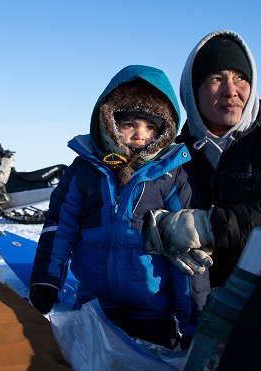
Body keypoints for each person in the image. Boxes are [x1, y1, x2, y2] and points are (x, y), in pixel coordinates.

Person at [144, 30, 261, 295]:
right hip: (202, 304)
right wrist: (162, 233)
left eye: (241, 78)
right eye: (215, 79)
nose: (231, 91)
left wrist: (209, 226)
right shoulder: (175, 153)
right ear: (192, 90)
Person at [28, 65, 205, 349]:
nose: (140, 135)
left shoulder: (171, 176)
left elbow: (187, 251)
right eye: (130, 124)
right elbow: (60, 226)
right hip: (96, 306)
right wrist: (47, 280)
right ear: (109, 123)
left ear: (164, 131)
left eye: (150, 127)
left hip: (153, 309)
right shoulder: (86, 170)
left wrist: (193, 320)